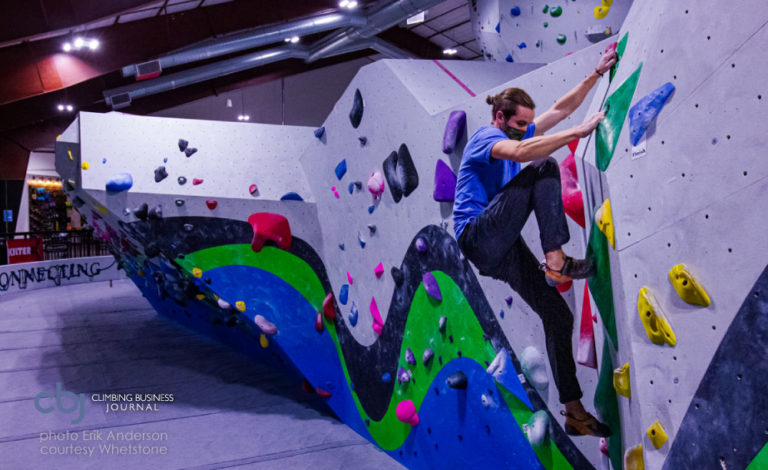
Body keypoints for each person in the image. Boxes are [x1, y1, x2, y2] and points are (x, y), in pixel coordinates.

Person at [453, 45, 618, 437]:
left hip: (500, 251)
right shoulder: (486, 137)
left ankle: (574, 412)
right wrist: (577, 133)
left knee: (557, 314)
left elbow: (560, 108)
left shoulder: (519, 129)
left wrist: (595, 75)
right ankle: (556, 261)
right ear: (499, 118)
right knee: (542, 164)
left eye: (527, 122)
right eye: (518, 123)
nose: (524, 128)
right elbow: (525, 150)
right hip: (476, 234)